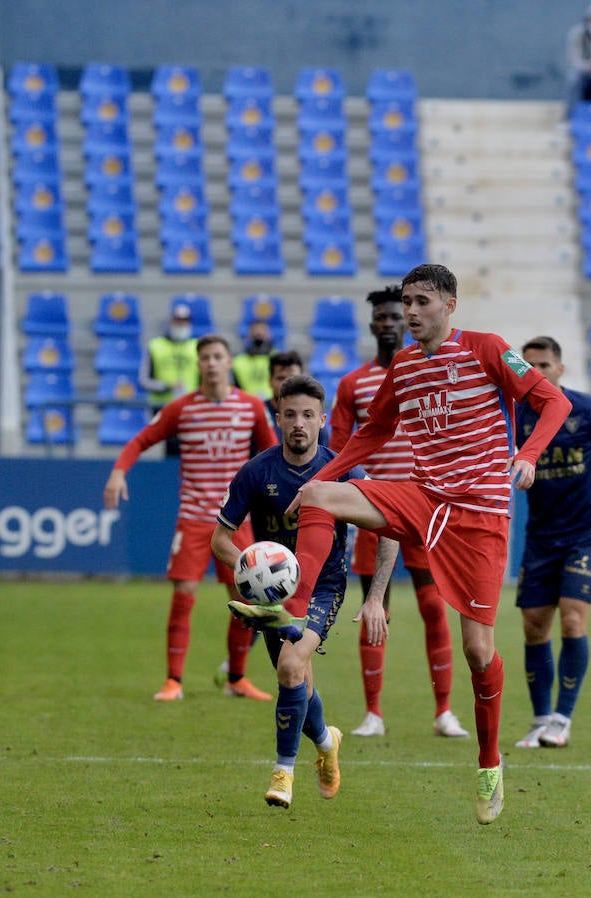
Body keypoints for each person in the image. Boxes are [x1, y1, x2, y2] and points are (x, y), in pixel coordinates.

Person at [230, 264, 571, 825]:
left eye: (422, 301)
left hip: (479, 516)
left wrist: (528, 454)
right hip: (422, 496)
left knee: (478, 652)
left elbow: (554, 402)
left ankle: (489, 760)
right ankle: (289, 607)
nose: (411, 311)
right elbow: (373, 431)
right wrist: (324, 478)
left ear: (450, 305)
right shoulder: (406, 366)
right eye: (407, 301)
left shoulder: (488, 349)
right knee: (318, 494)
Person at [212, 374, 395, 808]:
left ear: (322, 420)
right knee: (296, 677)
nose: (299, 423)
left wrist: (375, 598)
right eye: (290, 414)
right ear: (277, 418)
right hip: (274, 597)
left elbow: (389, 529)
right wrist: (252, 569)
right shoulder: (256, 472)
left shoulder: (344, 470)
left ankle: (283, 773)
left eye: (308, 415)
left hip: (324, 588)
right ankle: (327, 742)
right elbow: (220, 539)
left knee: (292, 665)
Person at [105, 334, 278, 702]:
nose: (211, 363)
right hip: (194, 517)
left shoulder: (250, 406)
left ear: (229, 362)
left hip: (236, 521)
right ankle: (174, 681)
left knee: (245, 601)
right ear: (198, 364)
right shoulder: (182, 408)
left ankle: (236, 679)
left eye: (218, 356)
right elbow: (141, 440)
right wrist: (119, 472)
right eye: (205, 358)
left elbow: (271, 455)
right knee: (184, 595)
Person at [330, 285, 467, 741]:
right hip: (375, 511)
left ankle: (444, 711)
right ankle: (373, 713)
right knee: (375, 609)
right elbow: (342, 448)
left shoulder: (430, 371)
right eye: (382, 317)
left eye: (395, 315)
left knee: (433, 606)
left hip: (424, 506)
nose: (389, 322)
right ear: (373, 324)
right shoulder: (353, 384)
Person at [513, 336, 591, 750]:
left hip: (586, 532)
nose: (536, 372)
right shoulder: (516, 414)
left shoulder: (587, 409)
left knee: (572, 618)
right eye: (529, 366)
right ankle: (540, 720)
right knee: (534, 624)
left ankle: (562, 719)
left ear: (560, 369)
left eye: (544, 365)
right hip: (541, 535)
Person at [141, 302, 200, 457]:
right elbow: (144, 380)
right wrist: (166, 386)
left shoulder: (197, 347)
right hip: (163, 408)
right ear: (170, 322)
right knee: (169, 453)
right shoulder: (155, 346)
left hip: (191, 409)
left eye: (184, 321)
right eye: (177, 321)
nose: (181, 325)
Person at [264, 349, 331, 448]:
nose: (286, 383)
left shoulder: (315, 422)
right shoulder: (257, 412)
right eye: (281, 378)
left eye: (293, 378)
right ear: (270, 381)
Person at [232, 319, 275, 398]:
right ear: (248, 336)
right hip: (246, 402)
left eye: (262, 334)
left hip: (273, 402)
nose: (259, 337)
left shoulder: (278, 358)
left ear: (269, 335)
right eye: (256, 334)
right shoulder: (238, 361)